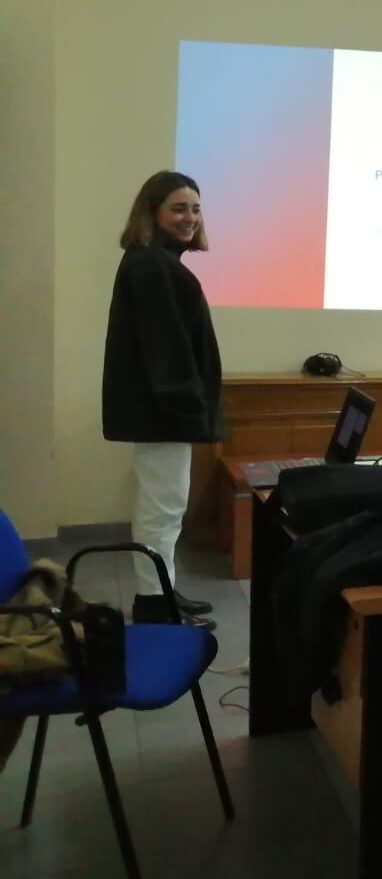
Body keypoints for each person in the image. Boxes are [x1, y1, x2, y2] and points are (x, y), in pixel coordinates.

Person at [102, 171, 223, 630]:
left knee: (162, 507)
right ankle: (155, 604)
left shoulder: (156, 263)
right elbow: (166, 351)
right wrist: (191, 412)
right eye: (178, 208)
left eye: (195, 208)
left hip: (161, 413)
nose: (189, 217)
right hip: (163, 414)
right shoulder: (152, 265)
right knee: (162, 510)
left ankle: (162, 590)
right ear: (151, 212)